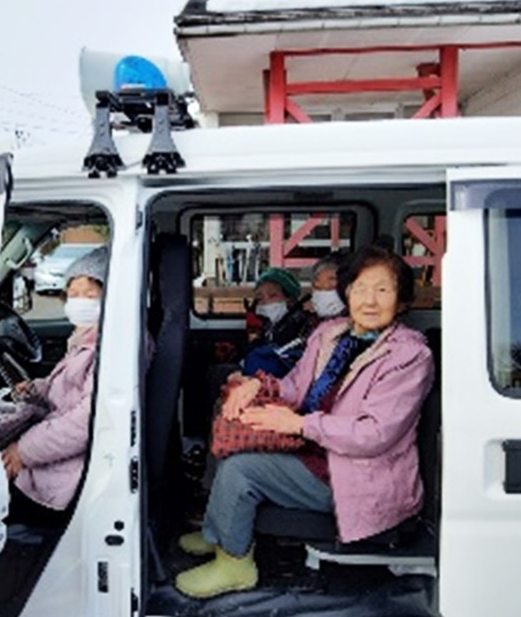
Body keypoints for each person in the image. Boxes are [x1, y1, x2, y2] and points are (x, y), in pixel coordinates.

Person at [175, 245, 435, 599]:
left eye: (382, 290)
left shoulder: (408, 356)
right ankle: (218, 534)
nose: (369, 300)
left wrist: (298, 425)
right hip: (315, 450)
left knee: (242, 468)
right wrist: (258, 384)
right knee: (235, 426)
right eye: (359, 289)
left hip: (353, 473)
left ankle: (234, 565)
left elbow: (374, 435)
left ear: (401, 300)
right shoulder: (331, 334)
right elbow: (295, 386)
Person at [0, 245, 108, 523]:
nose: (79, 302)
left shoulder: (109, 346)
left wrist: (24, 451)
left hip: (71, 468)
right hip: (57, 446)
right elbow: (64, 387)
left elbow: (88, 420)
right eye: (73, 295)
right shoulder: (85, 338)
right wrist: (36, 389)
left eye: (90, 295)